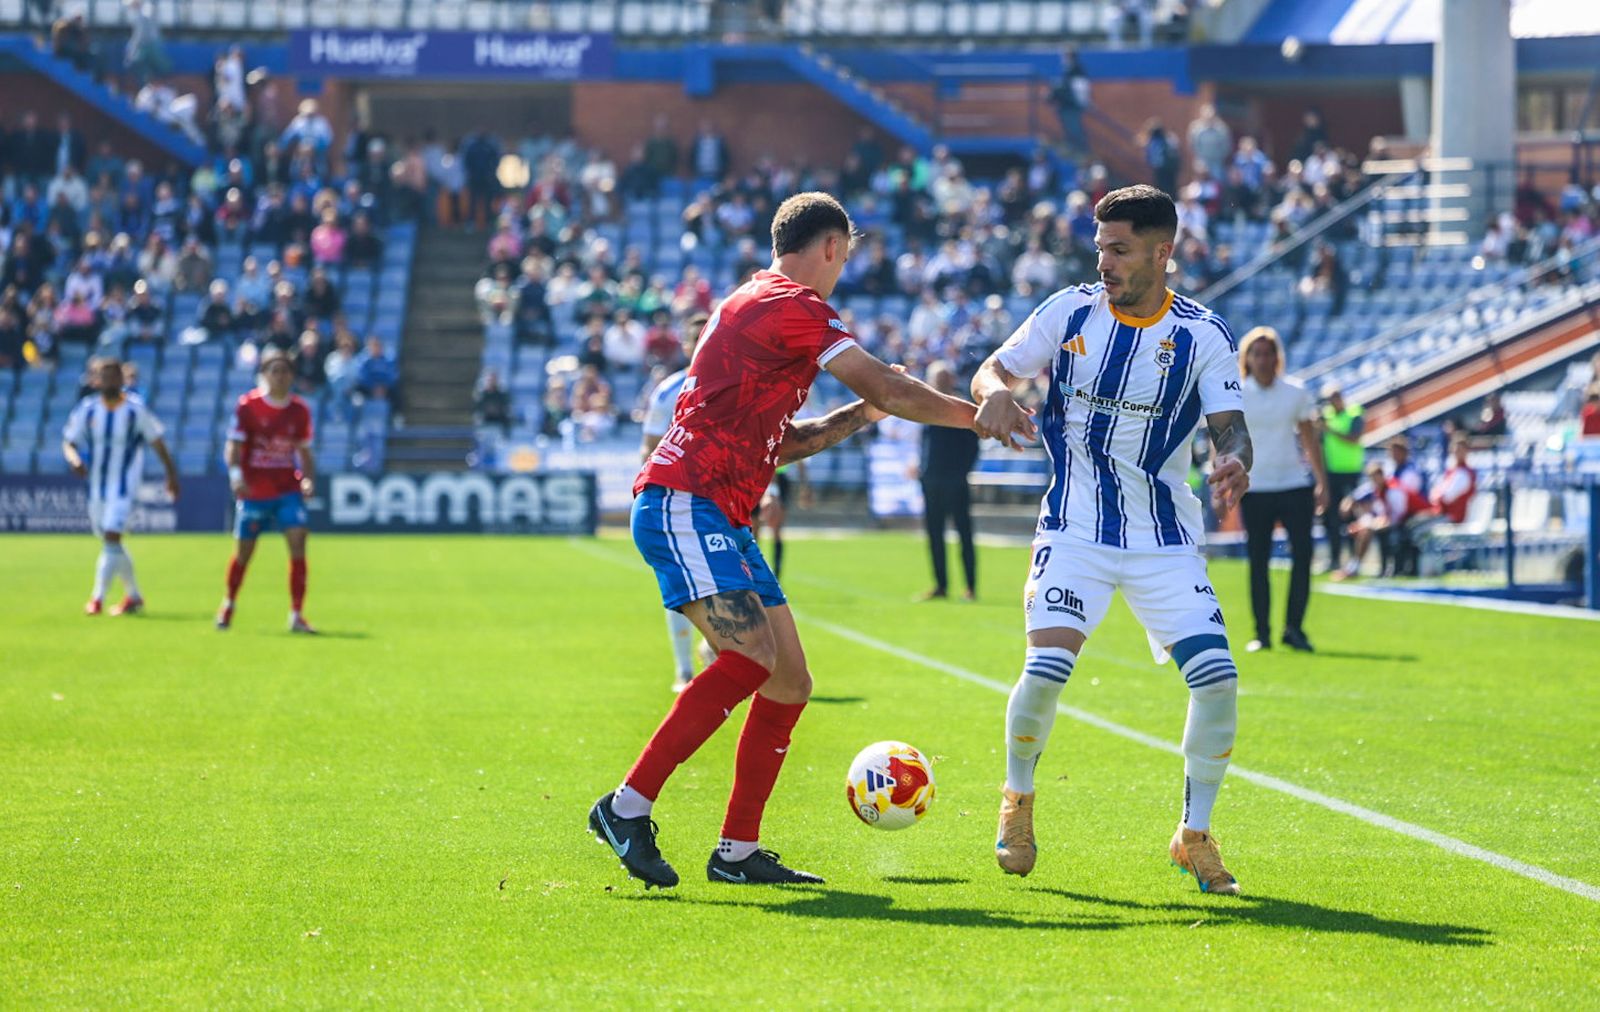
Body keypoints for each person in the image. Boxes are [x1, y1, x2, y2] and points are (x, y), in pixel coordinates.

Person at [588, 192, 1008, 890]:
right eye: (845, 258)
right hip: (685, 500)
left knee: (788, 681)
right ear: (833, 247)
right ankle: (625, 807)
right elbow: (890, 385)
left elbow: (780, 444)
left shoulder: (754, 300)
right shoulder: (795, 305)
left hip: (718, 510)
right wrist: (981, 417)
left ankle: (737, 851)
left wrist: (860, 415)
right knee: (750, 657)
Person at [970, 184, 1251, 895]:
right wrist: (993, 391)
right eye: (1100, 247)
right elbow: (995, 367)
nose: (1104, 262)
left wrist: (1234, 461)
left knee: (1218, 682)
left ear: (1162, 253)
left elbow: (1231, 428)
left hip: (1164, 538)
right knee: (1046, 669)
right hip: (1074, 529)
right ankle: (1018, 798)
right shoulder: (1070, 311)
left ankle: (1194, 834)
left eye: (1119, 250)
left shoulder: (1203, 335)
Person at [61, 357, 180, 616]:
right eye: (104, 376)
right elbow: (69, 442)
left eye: (114, 376)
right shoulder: (88, 409)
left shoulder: (135, 410)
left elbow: (158, 442)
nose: (109, 381)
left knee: (112, 536)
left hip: (125, 486)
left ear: (121, 379)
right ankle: (134, 596)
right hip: (97, 487)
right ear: (96, 380)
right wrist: (74, 459)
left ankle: (97, 598)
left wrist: (171, 475)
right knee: (110, 542)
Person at [1237, 328, 1326, 653]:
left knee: (1302, 557)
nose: (1263, 360)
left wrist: (1322, 481)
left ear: (1278, 357)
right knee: (1258, 560)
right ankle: (1261, 632)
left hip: (1293, 485)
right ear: (1247, 358)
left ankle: (1294, 629)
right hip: (1255, 486)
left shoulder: (1295, 391)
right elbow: (1227, 437)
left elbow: (1309, 438)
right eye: (1257, 354)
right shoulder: (1237, 393)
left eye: (1268, 353)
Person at [218, 349, 317, 634]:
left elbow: (305, 453)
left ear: (292, 376)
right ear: (264, 375)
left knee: (298, 542)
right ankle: (229, 603)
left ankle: (296, 614)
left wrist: (308, 480)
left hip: (287, 488)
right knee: (244, 553)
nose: (280, 376)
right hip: (254, 490)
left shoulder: (299, 410)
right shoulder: (248, 407)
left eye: (285, 371)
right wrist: (236, 477)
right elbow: (233, 447)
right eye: (275, 371)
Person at [639, 311, 711, 693]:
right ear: (685, 345)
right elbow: (649, 447)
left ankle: (713, 647)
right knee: (679, 586)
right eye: (695, 338)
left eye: (708, 336)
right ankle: (684, 670)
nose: (701, 345)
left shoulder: (735, 384)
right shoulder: (668, 392)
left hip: (722, 502)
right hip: (677, 503)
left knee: (729, 583)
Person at [916, 361, 980, 601]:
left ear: (951, 380)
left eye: (943, 378)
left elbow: (973, 445)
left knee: (964, 533)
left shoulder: (961, 407)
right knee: (934, 534)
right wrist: (922, 469)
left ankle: (970, 586)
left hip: (955, 480)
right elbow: (925, 444)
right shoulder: (927, 408)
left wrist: (963, 472)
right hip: (931, 479)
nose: (940, 383)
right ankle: (940, 585)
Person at [1319, 384, 1364, 573]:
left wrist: (1329, 429)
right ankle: (1335, 559)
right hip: (1331, 474)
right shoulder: (1325, 416)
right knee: (1331, 519)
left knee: (1351, 517)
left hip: (1351, 473)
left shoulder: (1354, 414)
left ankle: (1354, 561)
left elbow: (1354, 438)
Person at [1430, 435, 1477, 524]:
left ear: (1467, 452)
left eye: (1461, 450)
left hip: (1455, 518)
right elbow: (1434, 493)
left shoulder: (1464, 473)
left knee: (1418, 527)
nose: (1458, 453)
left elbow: (1446, 498)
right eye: (1456, 450)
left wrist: (1437, 495)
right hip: (1445, 514)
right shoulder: (1452, 471)